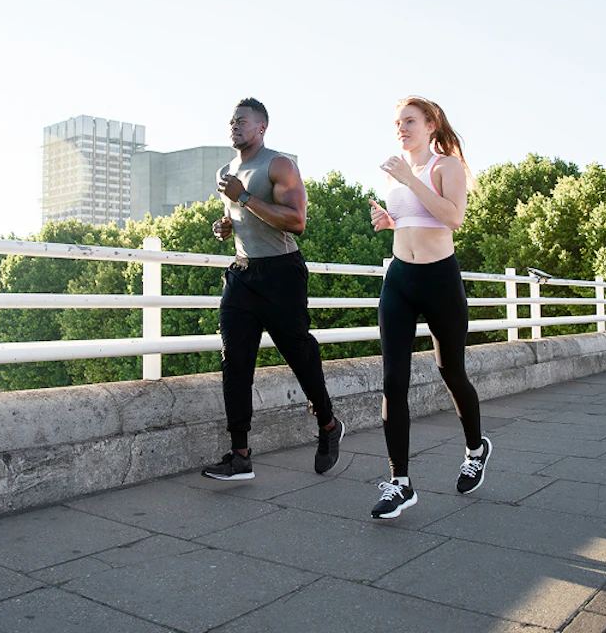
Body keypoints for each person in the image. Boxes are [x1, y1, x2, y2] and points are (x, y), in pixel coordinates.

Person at [202, 98, 344, 480]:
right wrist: (226, 225)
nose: (235, 126)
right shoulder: (225, 171)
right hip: (243, 273)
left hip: (281, 273)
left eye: (242, 121)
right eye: (232, 121)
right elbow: (242, 216)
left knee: (298, 353)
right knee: (235, 361)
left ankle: (329, 425)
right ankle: (240, 454)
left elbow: (296, 222)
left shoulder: (278, 164)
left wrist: (243, 197)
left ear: (261, 127)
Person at [367, 96, 490, 518]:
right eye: (397, 122)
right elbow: (416, 220)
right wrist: (392, 220)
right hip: (400, 279)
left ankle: (475, 449)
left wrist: (410, 180)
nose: (401, 127)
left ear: (431, 125)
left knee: (450, 371)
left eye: (410, 121)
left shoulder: (445, 166)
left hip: (440, 280)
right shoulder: (396, 174)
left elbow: (453, 217)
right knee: (393, 380)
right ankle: (399, 482)